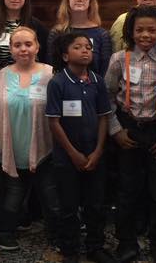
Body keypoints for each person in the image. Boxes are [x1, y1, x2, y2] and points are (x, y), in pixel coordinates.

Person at [104, 5, 156, 263]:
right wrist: (116, 131)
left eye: (151, 30)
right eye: (139, 30)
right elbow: (107, 98)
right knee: (127, 189)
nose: (145, 35)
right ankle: (126, 242)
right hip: (129, 131)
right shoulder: (119, 59)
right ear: (130, 31)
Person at [0, 27, 60, 252]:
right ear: (11, 49)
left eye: (28, 44)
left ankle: (58, 235)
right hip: (11, 150)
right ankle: (3, 233)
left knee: (52, 199)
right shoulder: (1, 77)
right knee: (12, 199)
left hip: (45, 149)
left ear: (37, 46)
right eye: (17, 45)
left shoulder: (51, 74)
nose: (23, 49)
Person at [46, 32, 117, 263]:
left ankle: (95, 246)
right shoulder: (58, 82)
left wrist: (98, 151)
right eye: (78, 47)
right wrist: (73, 153)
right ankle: (70, 249)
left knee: (95, 204)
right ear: (65, 56)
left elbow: (104, 117)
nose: (85, 50)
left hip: (95, 154)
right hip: (67, 157)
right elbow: (54, 122)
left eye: (88, 46)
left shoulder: (97, 81)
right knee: (68, 206)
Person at [47, 0, 112, 77]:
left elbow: (105, 71)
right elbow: (52, 68)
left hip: (94, 85)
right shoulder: (57, 33)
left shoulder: (102, 35)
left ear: (90, 1)